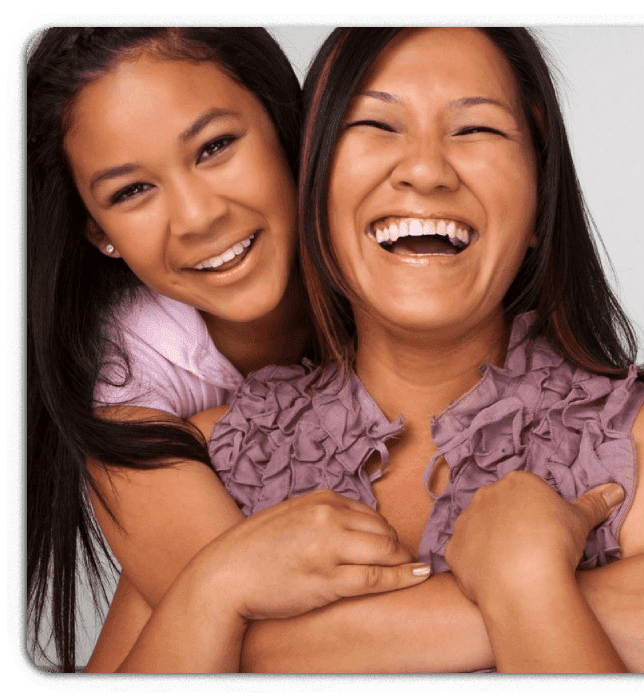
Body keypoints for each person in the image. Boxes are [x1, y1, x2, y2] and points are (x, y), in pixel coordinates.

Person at [27, 25, 644, 675]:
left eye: (475, 128)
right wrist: (219, 585)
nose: (424, 170)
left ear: (540, 193)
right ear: (316, 180)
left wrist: (529, 586)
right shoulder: (195, 455)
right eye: (377, 126)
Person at [26, 26, 433, 674]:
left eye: (214, 146)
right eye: (131, 191)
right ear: (99, 232)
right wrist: (552, 600)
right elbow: (259, 638)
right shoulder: (130, 380)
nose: (196, 216)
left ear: (280, 124)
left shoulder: (398, 238)